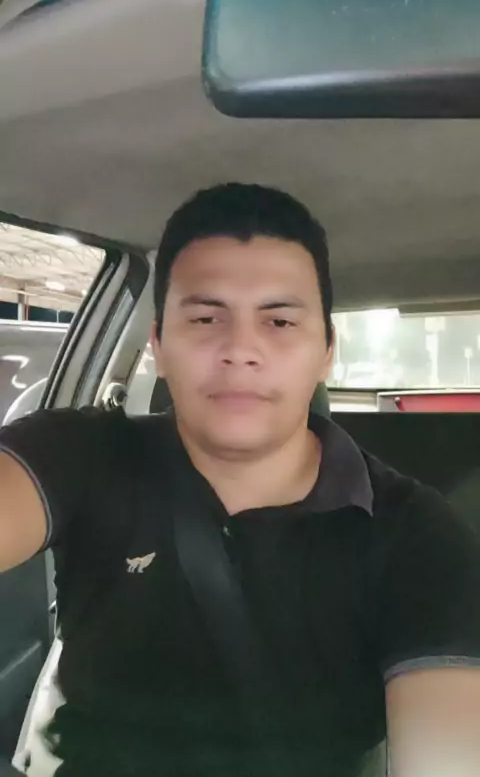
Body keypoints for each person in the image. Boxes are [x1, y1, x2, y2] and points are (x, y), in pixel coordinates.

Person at [0, 182, 479, 777]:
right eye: (206, 318)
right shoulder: (81, 454)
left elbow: (447, 749)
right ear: (159, 344)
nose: (240, 350)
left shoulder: (417, 536)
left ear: (326, 350)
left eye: (279, 321)